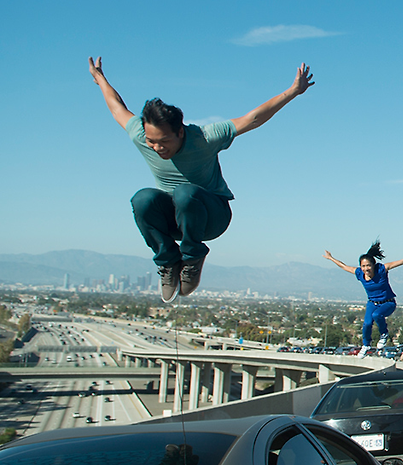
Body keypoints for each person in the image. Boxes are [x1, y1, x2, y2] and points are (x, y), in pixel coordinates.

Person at [90, 57, 314, 301]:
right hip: (176, 220)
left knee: (185, 192)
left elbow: (253, 119)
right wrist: (101, 79)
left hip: (212, 216)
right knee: (142, 199)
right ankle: (168, 263)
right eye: (152, 141)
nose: (157, 147)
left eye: (164, 141)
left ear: (180, 131)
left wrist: (293, 91)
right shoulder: (140, 134)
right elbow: (117, 108)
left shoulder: (204, 138)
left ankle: (192, 259)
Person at [324, 241, 403, 357]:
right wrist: (331, 258)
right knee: (367, 323)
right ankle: (366, 345)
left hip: (388, 303)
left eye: (368, 265)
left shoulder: (381, 270)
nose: (366, 269)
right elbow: (344, 266)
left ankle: (384, 334)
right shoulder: (359, 273)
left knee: (377, 315)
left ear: (373, 265)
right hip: (372, 303)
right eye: (363, 266)